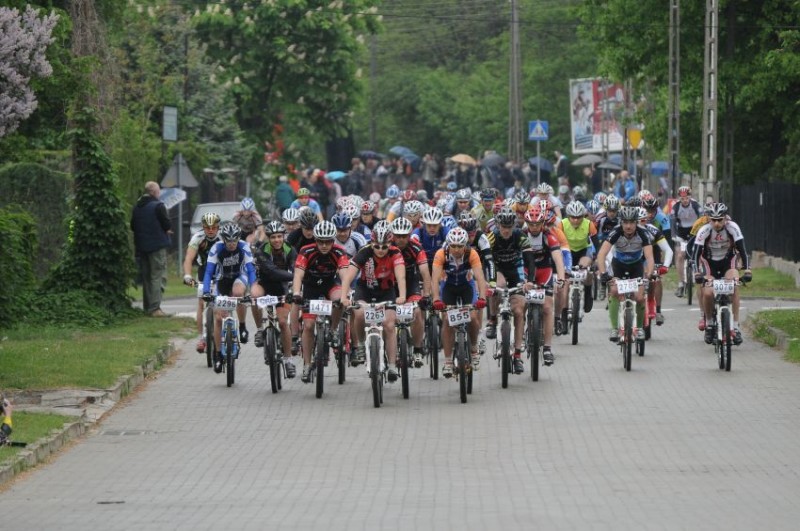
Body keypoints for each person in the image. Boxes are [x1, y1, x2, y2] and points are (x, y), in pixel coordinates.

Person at [340, 222, 407, 381]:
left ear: (390, 244)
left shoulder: (395, 253)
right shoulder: (364, 252)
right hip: (365, 290)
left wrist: (402, 296)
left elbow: (401, 276)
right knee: (359, 314)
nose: (381, 250)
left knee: (389, 325)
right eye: (377, 246)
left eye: (384, 247)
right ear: (372, 243)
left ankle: (392, 365)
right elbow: (348, 276)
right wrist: (343, 297)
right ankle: (360, 344)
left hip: (386, 291)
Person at [291, 221, 350, 383]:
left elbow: (345, 275)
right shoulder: (306, 251)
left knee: (339, 299)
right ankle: (307, 364)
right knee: (309, 326)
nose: (324, 245)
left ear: (333, 240)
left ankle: (333, 329)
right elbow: (298, 275)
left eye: (328, 242)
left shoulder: (339, 251)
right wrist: (296, 293)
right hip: (311, 288)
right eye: (320, 241)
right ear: (315, 240)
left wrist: (345, 296)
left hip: (330, 285)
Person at [486, 207, 539, 371]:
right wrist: (488, 282)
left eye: (509, 227)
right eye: (504, 227)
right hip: (497, 269)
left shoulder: (520, 236)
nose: (506, 230)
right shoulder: (492, 237)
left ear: (514, 226)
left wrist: (530, 281)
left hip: (515, 271)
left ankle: (517, 355)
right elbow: (484, 259)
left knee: (519, 310)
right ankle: (492, 319)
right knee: (498, 286)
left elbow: (530, 261)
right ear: (498, 225)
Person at [431, 227, 488, 378]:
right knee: (447, 321)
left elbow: (480, 278)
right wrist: (436, 299)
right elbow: (435, 279)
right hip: (448, 287)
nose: (456, 249)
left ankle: (474, 349)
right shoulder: (441, 254)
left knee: (473, 317)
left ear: (465, 245)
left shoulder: (472, 254)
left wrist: (482, 298)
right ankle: (448, 361)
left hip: (466, 286)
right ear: (448, 244)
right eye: (453, 246)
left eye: (460, 246)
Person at [692, 203, 752, 345]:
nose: (717, 223)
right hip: (709, 263)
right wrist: (697, 272)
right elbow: (695, 255)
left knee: (734, 286)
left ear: (725, 218)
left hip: (727, 262)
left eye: (720, 220)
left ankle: (735, 327)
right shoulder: (704, 230)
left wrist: (747, 270)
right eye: (713, 220)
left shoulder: (733, 228)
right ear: (709, 219)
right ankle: (709, 323)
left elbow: (743, 250)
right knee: (707, 293)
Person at [202, 222, 258, 373]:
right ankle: (218, 354)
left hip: (239, 276)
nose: (232, 244)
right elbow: (208, 272)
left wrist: (253, 288)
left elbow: (251, 270)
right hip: (221, 280)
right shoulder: (216, 248)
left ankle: (242, 326)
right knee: (218, 318)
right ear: (224, 239)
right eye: (229, 241)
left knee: (239, 293)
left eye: (235, 240)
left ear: (238, 238)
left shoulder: (244, 246)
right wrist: (206, 291)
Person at [596, 206, 655, 342]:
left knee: (639, 297)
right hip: (619, 266)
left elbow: (650, 257)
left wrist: (649, 274)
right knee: (614, 291)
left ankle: (639, 328)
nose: (628, 226)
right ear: (621, 222)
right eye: (625, 222)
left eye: (632, 222)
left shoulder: (643, 233)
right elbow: (601, 254)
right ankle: (614, 328)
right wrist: (603, 273)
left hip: (636, 266)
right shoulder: (615, 232)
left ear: (636, 222)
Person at [250, 221, 297, 378]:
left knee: (283, 322)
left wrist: (295, 280)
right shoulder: (262, 251)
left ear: (283, 236)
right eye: (273, 237)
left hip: (282, 288)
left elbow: (295, 268)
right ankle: (259, 330)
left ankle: (288, 360)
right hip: (265, 284)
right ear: (268, 238)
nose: (277, 240)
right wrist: (294, 276)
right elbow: (272, 272)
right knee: (254, 296)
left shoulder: (290, 249)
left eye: (279, 236)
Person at [391, 217, 433, 368]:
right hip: (390, 286)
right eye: (398, 236)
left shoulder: (416, 248)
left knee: (417, 312)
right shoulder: (387, 247)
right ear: (392, 235)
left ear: (409, 235)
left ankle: (417, 349)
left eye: (404, 236)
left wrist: (426, 295)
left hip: (411, 284)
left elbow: (425, 274)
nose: (401, 239)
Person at [130, 181, 172, 317]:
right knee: (158, 276)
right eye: (158, 191)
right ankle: (155, 309)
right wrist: (165, 230)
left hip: (142, 247)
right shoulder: (158, 206)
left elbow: (133, 226)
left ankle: (147, 307)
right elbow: (167, 225)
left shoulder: (137, 207)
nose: (159, 194)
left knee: (147, 277)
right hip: (157, 247)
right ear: (154, 192)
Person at [183, 212, 221, 353]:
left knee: (222, 303)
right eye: (207, 227)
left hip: (221, 272)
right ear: (203, 227)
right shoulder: (197, 238)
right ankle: (201, 338)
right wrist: (187, 275)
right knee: (201, 303)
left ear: (218, 227)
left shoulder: (223, 237)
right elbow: (188, 259)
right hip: (204, 271)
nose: (210, 230)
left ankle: (226, 331)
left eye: (213, 227)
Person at [670, 186, 703, 298]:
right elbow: (672, 222)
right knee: (680, 255)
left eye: (686, 198)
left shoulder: (695, 205)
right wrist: (673, 235)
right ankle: (681, 283)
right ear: (679, 198)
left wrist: (701, 233)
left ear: (690, 197)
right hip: (681, 233)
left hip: (694, 232)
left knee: (698, 254)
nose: (684, 200)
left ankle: (699, 276)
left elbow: (702, 219)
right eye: (682, 198)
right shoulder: (676, 207)